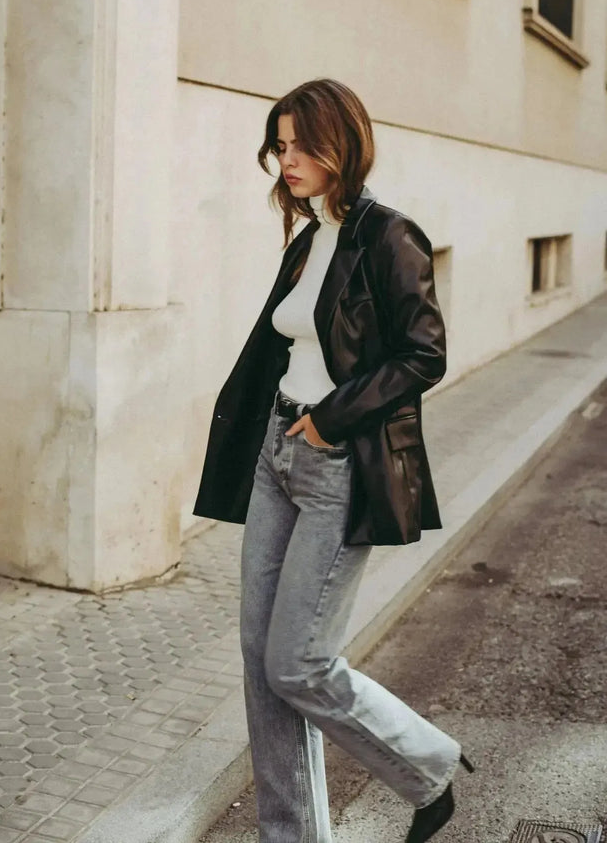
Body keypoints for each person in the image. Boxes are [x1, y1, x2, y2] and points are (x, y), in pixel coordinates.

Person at [193, 78, 474, 843]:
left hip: (337, 467)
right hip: (276, 457)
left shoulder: (390, 236)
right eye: (278, 146)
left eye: (299, 145)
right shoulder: (308, 237)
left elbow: (425, 354)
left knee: (299, 662)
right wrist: (273, 430)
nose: (285, 159)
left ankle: (429, 769)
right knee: (260, 660)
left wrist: (329, 420)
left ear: (339, 143)